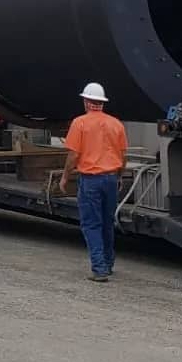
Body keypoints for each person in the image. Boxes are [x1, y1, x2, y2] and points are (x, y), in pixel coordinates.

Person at [60, 82, 127, 282]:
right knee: (107, 222)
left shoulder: (80, 123)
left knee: (91, 224)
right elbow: (123, 156)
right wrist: (120, 176)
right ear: (101, 103)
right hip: (110, 178)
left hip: (90, 180)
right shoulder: (116, 124)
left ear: (87, 102)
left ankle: (99, 268)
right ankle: (108, 262)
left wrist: (65, 176)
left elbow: (73, 155)